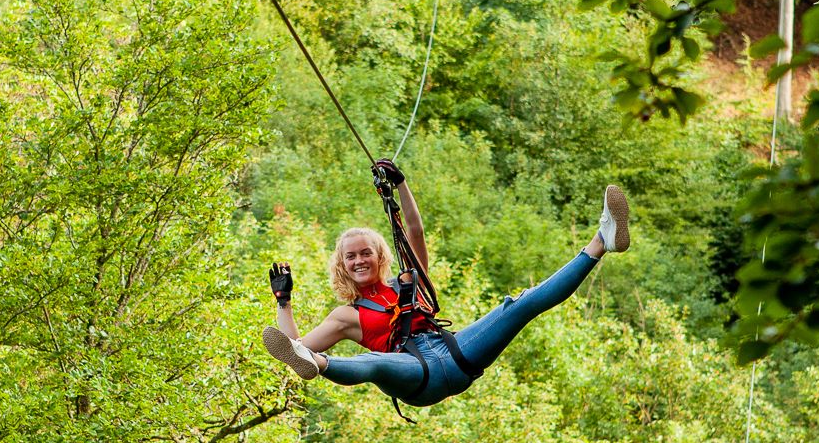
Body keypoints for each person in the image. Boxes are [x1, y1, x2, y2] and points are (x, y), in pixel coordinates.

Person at [261, 162, 630, 407]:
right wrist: (283, 302)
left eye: (365, 253)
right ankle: (324, 364)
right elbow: (294, 349)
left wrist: (401, 185)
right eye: (350, 257)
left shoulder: (408, 281)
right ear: (341, 265)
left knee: (520, 305)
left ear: (379, 256)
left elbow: (415, 230)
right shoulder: (345, 316)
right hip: (413, 375)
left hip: (455, 354)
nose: (359, 260)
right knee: (372, 364)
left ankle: (602, 241)